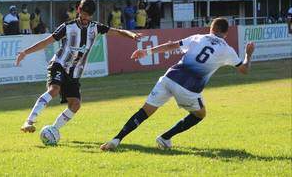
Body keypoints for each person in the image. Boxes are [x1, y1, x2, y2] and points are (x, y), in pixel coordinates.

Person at [100, 17, 255, 151]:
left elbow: (171, 45)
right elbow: (244, 70)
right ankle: (165, 137)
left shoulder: (198, 38)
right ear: (226, 33)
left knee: (144, 111)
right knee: (200, 114)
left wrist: (146, 52)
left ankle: (116, 139)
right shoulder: (227, 50)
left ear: (211, 28)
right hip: (188, 88)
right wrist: (248, 54)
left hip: (169, 77)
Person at [16, 0, 141, 134]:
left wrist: (132, 35)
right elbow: (46, 42)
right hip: (59, 64)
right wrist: (25, 52)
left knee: (75, 105)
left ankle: (53, 130)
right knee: (54, 89)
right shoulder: (67, 27)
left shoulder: (95, 27)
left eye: (89, 15)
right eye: (84, 14)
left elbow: (117, 31)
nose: (86, 17)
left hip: (74, 73)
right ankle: (29, 121)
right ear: (79, 10)